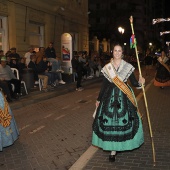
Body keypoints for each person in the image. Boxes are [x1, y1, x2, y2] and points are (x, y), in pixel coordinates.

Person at [92, 44, 145, 162]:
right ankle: (113, 150)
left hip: (124, 97)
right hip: (109, 97)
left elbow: (134, 83)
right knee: (110, 123)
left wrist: (141, 83)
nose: (117, 53)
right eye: (115, 50)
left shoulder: (128, 66)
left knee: (124, 121)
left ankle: (122, 144)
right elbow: (104, 85)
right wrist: (99, 99)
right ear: (112, 52)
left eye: (119, 51)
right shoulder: (107, 67)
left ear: (122, 52)